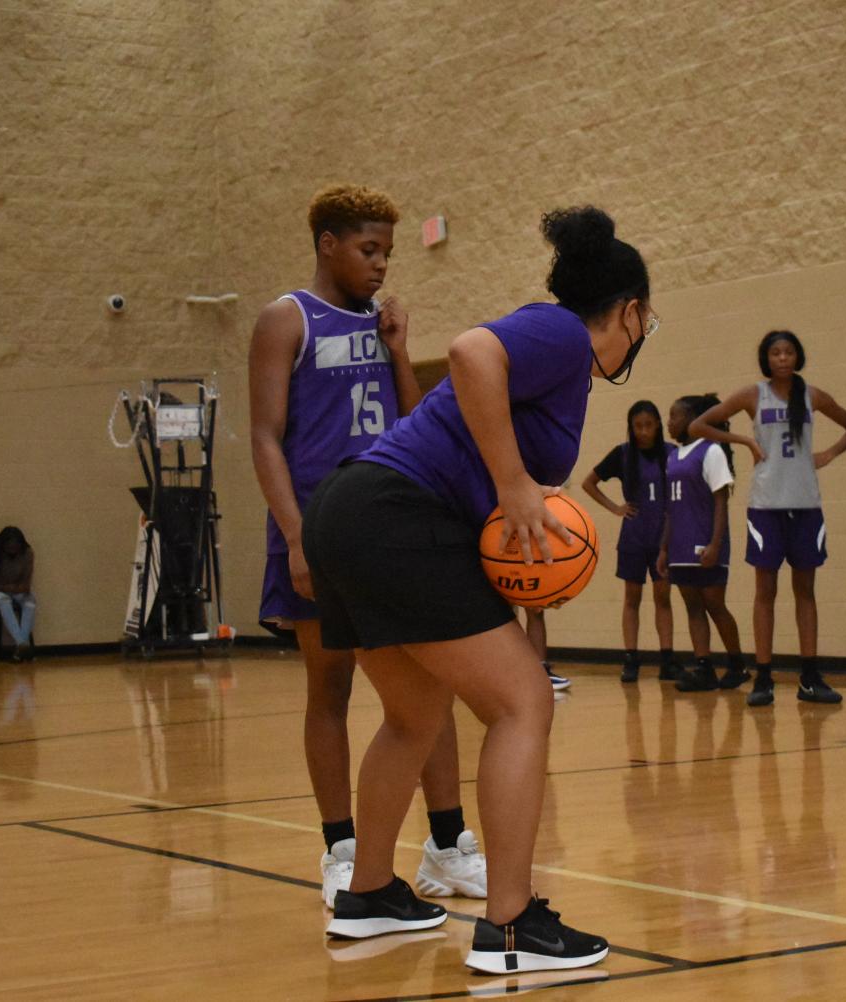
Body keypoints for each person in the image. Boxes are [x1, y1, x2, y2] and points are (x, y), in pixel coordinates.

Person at [302, 205, 653, 974]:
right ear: (628, 310)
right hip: (393, 514)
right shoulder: (560, 333)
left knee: (413, 713)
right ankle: (511, 925)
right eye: (644, 321)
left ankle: (368, 895)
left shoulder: (558, 364)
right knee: (522, 702)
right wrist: (515, 483)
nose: (641, 334)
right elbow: (467, 352)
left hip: (351, 511)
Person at [248, 184, 485, 910]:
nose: (382, 264)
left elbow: (416, 421)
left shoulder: (382, 323)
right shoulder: (286, 319)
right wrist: (293, 537)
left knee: (430, 686)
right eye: (368, 249)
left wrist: (400, 350)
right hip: (317, 524)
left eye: (386, 250)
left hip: (392, 524)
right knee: (331, 688)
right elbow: (264, 436)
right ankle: (341, 852)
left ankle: (446, 846)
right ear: (327, 244)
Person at [690, 331, 846, 707]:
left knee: (805, 591)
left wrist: (829, 453)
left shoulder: (812, 395)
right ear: (766, 359)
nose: (782, 358)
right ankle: (764, 677)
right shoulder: (753, 395)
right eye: (775, 352)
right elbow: (698, 426)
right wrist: (745, 441)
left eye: (788, 352)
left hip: (806, 505)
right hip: (766, 506)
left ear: (797, 356)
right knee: (765, 592)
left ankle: (810, 676)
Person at [656, 394, 748, 693]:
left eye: (674, 416)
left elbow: (721, 502)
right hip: (680, 546)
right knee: (692, 606)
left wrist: (715, 543)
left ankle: (737, 665)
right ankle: (704, 666)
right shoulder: (672, 456)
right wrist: (664, 548)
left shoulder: (712, 451)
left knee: (714, 605)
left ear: (693, 419)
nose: (669, 422)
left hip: (706, 543)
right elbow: (671, 508)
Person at [582, 400, 678, 683]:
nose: (643, 431)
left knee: (663, 598)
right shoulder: (623, 454)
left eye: (648, 425)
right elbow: (589, 483)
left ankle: (667, 659)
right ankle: (631, 659)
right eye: (638, 426)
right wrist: (615, 508)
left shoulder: (671, 453)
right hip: (634, 537)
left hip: (662, 537)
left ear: (658, 425)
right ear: (631, 428)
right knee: (632, 598)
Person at [0, 526, 36, 660]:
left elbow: (26, 585)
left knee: (30, 601)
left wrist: (11, 587)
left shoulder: (28, 553)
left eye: (16, 547)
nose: (13, 550)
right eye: (9, 547)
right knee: (3, 601)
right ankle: (22, 643)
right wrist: (12, 587)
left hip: (16, 590)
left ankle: (21, 647)